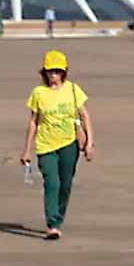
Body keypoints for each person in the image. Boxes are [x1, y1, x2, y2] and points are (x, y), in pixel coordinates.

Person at [20, 50, 95, 240]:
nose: (53, 74)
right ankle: (52, 224)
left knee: (65, 184)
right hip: (45, 145)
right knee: (52, 183)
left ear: (64, 72)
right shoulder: (38, 93)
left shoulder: (72, 89)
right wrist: (27, 150)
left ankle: (59, 216)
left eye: (57, 71)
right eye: (50, 71)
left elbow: (85, 116)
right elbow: (33, 122)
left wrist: (89, 143)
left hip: (69, 144)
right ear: (44, 72)